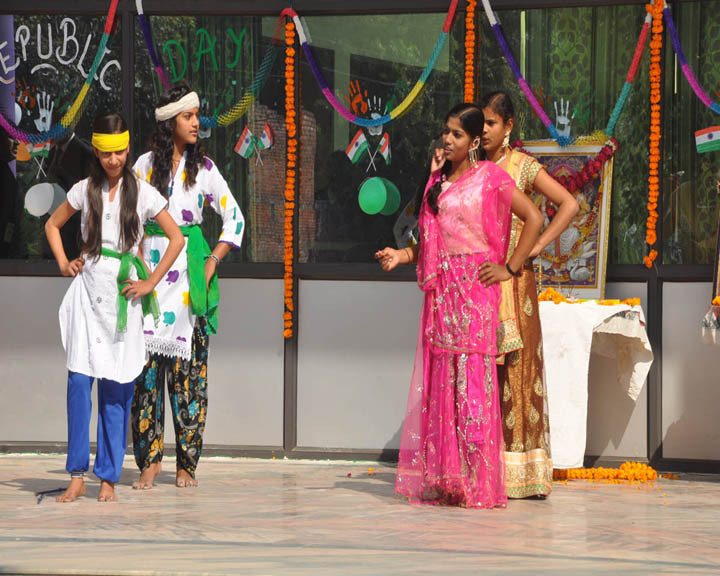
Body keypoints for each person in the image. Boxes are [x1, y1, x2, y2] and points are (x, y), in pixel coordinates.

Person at [375, 103, 543, 508]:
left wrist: (509, 268)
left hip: (476, 292)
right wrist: (402, 255)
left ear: (473, 142)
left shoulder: (491, 178)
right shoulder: (439, 184)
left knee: (473, 387)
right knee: (445, 386)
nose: (448, 140)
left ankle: (479, 482)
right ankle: (450, 479)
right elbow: (434, 243)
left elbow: (534, 218)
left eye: (457, 134)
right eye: (446, 132)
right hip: (445, 295)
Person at [45, 113, 183, 502]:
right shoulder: (84, 189)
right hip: (88, 296)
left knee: (116, 388)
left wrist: (150, 282)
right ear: (96, 151)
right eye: (107, 153)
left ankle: (107, 477)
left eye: (120, 151)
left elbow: (176, 238)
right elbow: (52, 225)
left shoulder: (143, 193)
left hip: (122, 298)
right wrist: (64, 263)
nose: (114, 160)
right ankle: (76, 475)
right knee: (78, 384)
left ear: (127, 148)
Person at [131, 82, 245, 489]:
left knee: (189, 379)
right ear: (169, 122)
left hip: (188, 280)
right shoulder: (143, 166)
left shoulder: (206, 169)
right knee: (145, 379)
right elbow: (128, 218)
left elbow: (235, 219)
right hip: (148, 277)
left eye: (196, 115)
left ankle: (186, 464)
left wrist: (212, 261)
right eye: (188, 116)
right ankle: (149, 462)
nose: (196, 123)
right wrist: (137, 261)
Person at [479, 91, 578, 499]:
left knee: (518, 374)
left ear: (508, 127)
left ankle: (524, 472)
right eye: (481, 123)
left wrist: (535, 247)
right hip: (481, 281)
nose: (484, 130)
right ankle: (485, 466)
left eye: (491, 123)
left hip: (515, 281)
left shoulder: (521, 166)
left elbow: (569, 204)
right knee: (482, 374)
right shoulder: (473, 167)